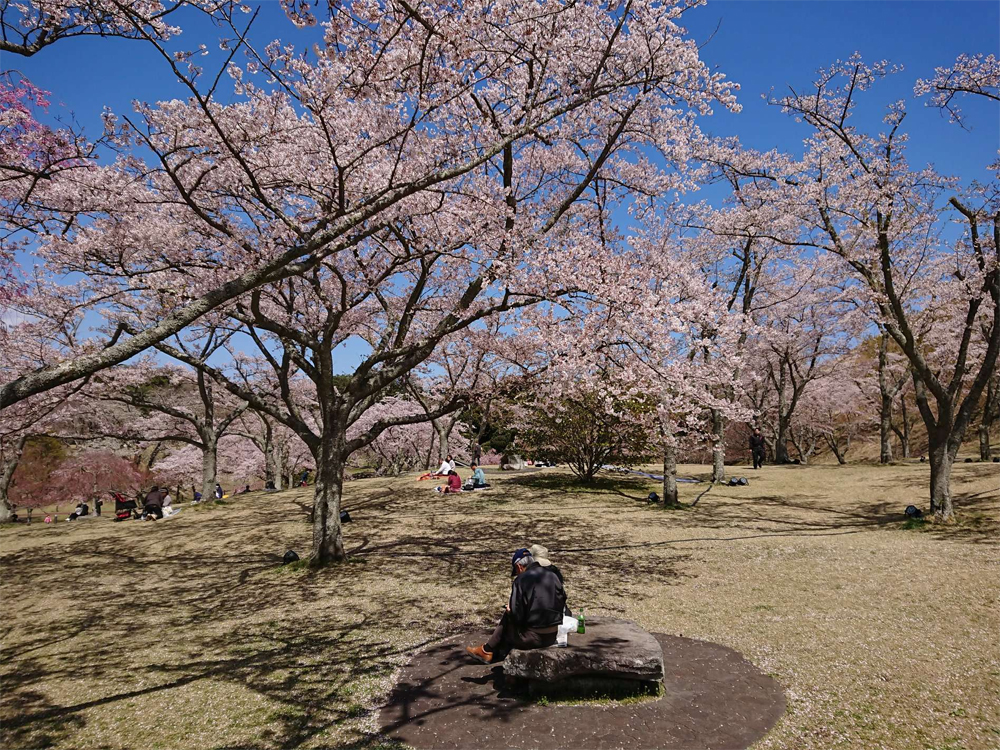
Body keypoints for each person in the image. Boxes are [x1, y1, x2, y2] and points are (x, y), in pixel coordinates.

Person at [466, 549, 567, 664]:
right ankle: (489, 651)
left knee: (508, 618)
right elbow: (562, 601)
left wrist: (510, 612)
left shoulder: (521, 580)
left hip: (533, 638)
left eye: (516, 571)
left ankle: (488, 650)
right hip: (552, 635)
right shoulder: (553, 576)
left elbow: (517, 617)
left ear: (519, 566)